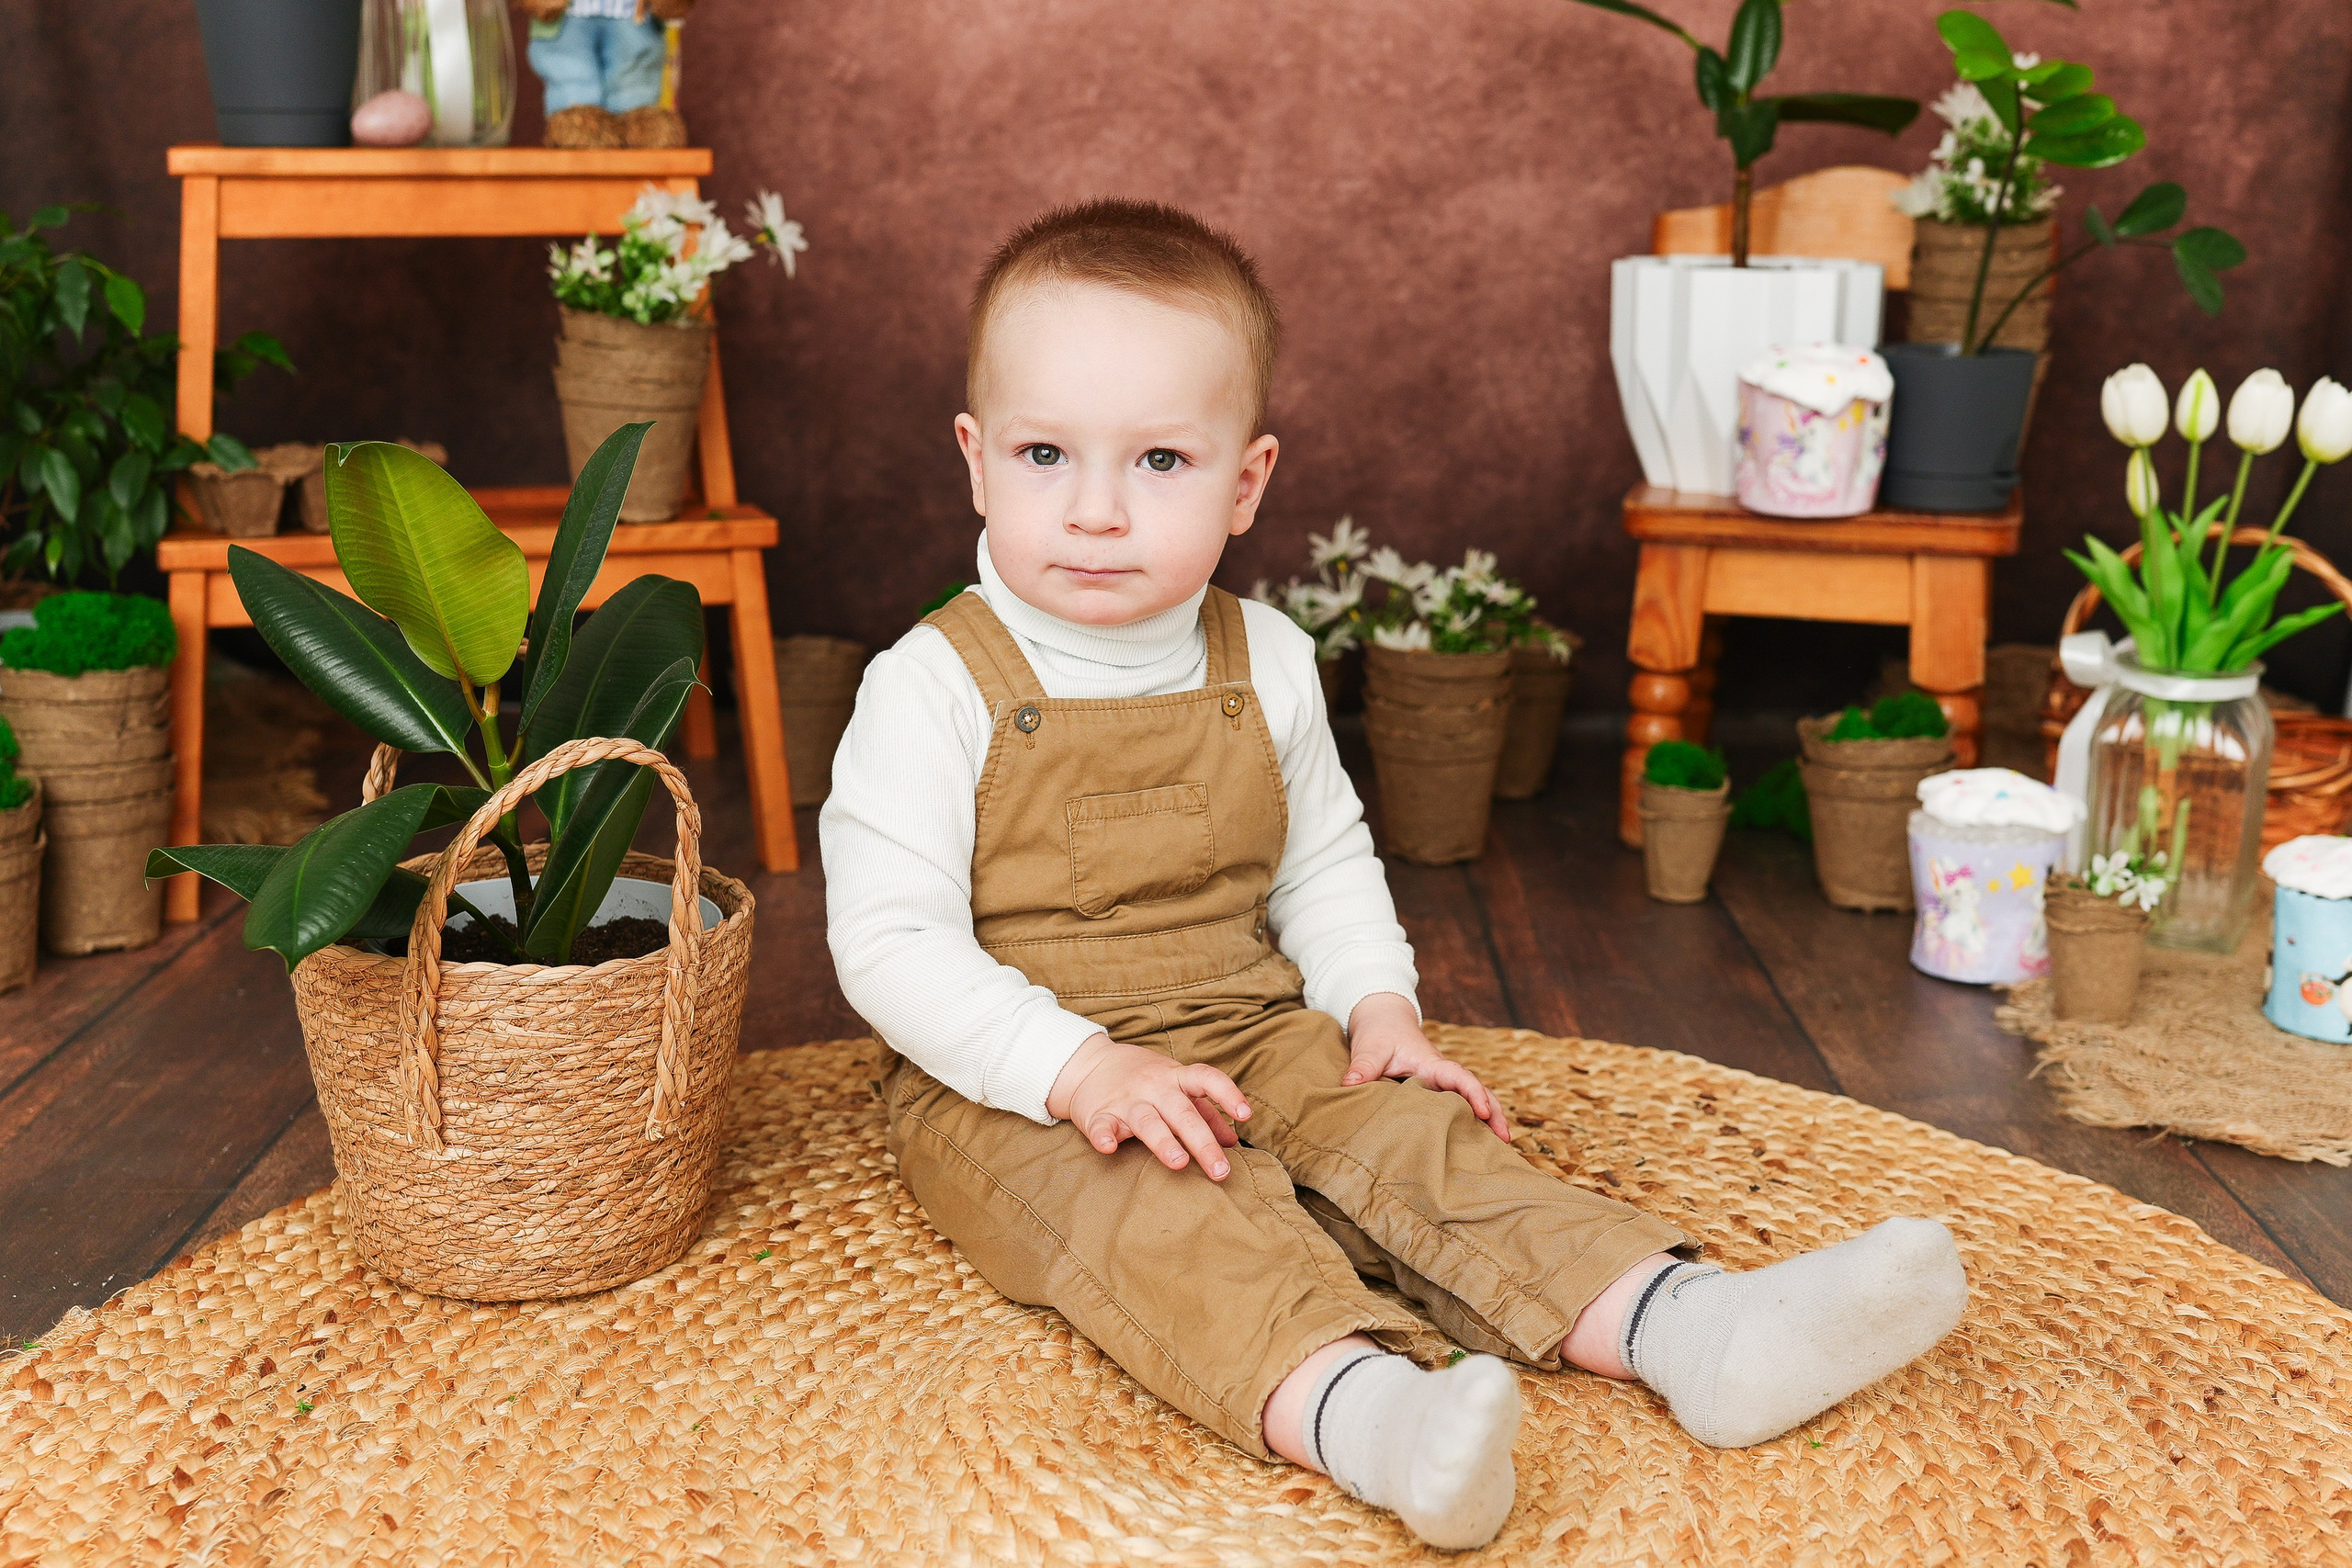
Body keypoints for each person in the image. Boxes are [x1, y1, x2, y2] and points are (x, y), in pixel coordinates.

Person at [821, 199, 1968, 1550]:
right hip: (1008, 1078)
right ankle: (1372, 1416)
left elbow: (1325, 862)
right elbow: (890, 945)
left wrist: (1378, 1009)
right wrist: (1081, 1071)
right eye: (1045, 453)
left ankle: (1693, 1328)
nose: (1095, 508)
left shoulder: (1270, 661)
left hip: (1251, 1022)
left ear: (1246, 484)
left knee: (1415, 1145)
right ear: (975, 461)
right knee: (1163, 1215)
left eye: (1161, 461)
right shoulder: (934, 685)